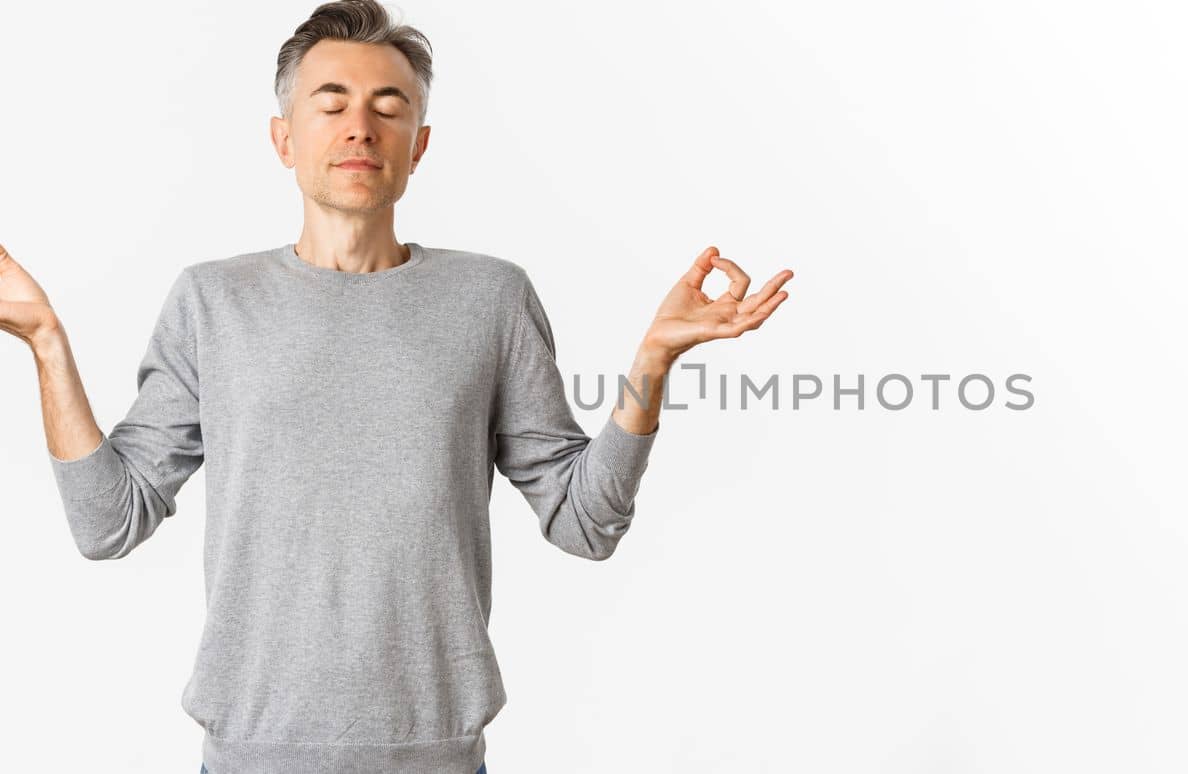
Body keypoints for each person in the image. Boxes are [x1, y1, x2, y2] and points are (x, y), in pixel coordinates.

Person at [1, 0, 792, 771]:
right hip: (251, 755)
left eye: (389, 106)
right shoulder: (212, 301)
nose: (360, 127)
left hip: (438, 757)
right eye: (332, 103)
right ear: (283, 138)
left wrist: (652, 360)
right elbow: (108, 524)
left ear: (419, 145)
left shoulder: (491, 299)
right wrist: (46, 342)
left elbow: (584, 524)